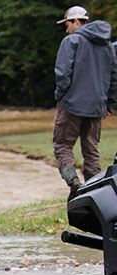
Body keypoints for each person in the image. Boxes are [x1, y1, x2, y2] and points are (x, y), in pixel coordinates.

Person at [53, 5, 117, 192]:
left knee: (62, 144)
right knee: (91, 150)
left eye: (68, 24)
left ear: (77, 22)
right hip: (97, 107)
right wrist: (108, 104)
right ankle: (95, 189)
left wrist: (60, 96)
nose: (66, 29)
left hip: (71, 105)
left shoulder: (71, 41)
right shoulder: (107, 45)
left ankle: (74, 183)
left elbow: (62, 74)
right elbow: (114, 77)